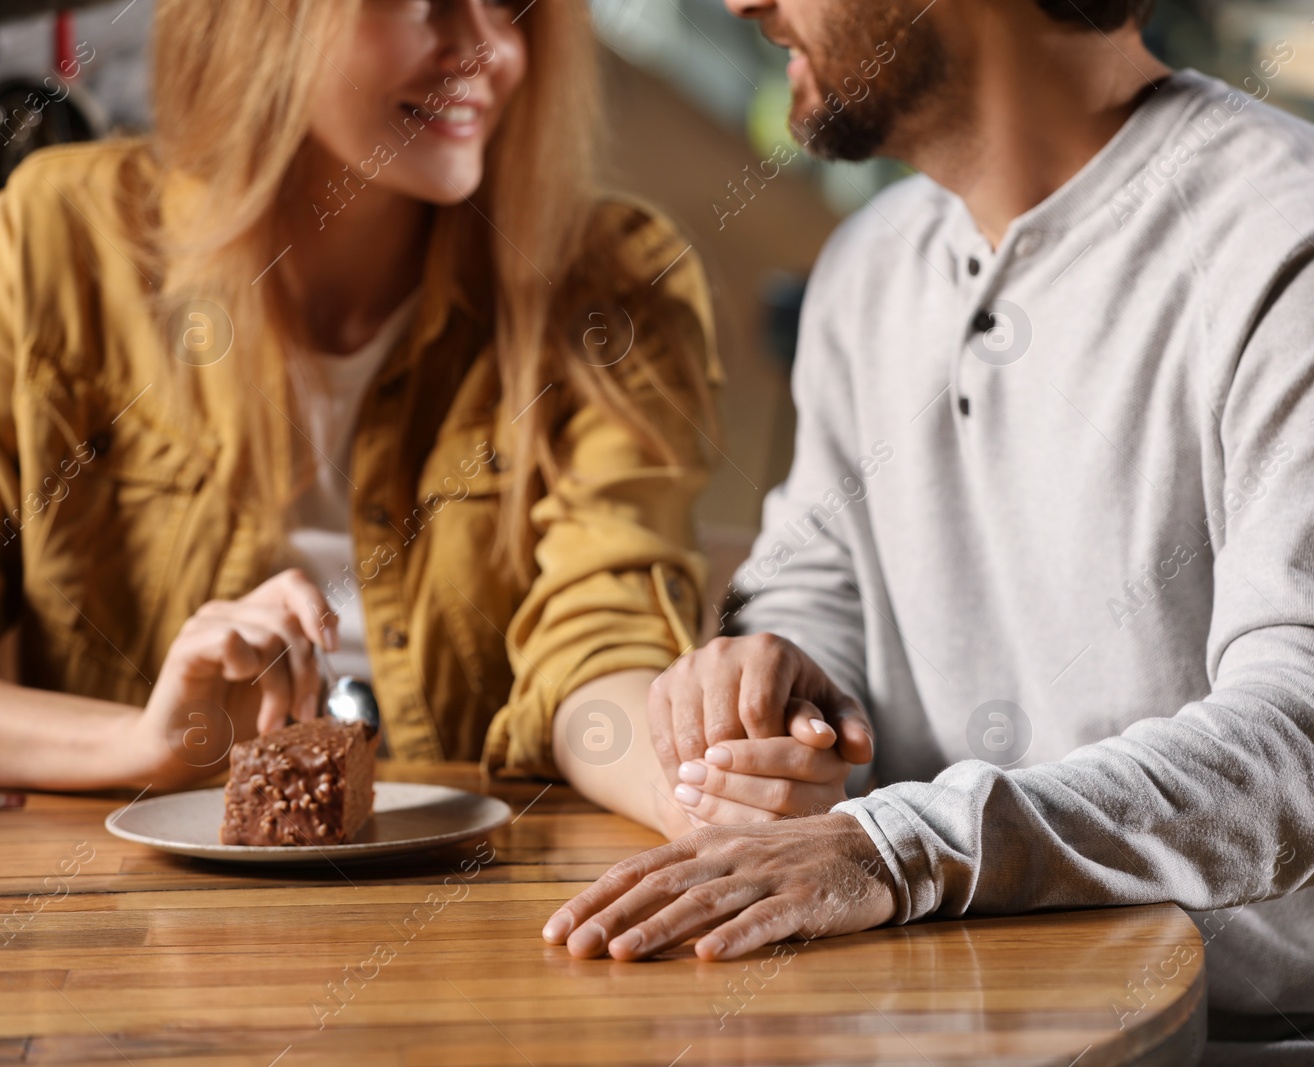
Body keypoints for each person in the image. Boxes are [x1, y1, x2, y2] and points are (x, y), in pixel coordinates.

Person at [541, 0, 1314, 1063]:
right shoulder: (865, 269)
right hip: (990, 1001)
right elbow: (814, 588)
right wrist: (770, 692)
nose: (740, 3)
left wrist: (899, 847)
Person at [0, 0, 759, 837]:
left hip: (477, 905)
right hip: (131, 922)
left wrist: (704, 799)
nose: (484, 52)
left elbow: (601, 643)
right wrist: (141, 743)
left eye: (509, 8)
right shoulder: (55, 239)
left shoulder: (614, 283)